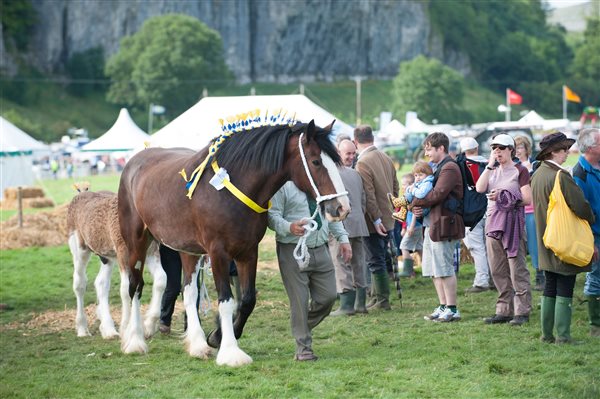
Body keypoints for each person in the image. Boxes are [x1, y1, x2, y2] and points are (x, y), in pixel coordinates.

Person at [268, 181, 352, 361]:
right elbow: (272, 216)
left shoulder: (320, 185)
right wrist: (289, 227)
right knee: (300, 301)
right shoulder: (283, 187)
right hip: (293, 250)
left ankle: (300, 327)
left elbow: (331, 216)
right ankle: (303, 349)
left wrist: (343, 239)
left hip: (321, 249)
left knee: (328, 297)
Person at [531, 132, 595, 343]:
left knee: (550, 286)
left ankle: (547, 335)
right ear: (552, 152)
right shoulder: (561, 175)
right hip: (561, 239)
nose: (567, 152)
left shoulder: (539, 173)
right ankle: (563, 336)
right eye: (563, 149)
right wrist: (592, 217)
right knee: (565, 285)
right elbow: (580, 205)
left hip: (544, 238)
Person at [476, 134, 532, 326]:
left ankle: (522, 311)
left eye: (501, 147)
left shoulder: (520, 170)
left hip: (513, 224)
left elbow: (527, 198)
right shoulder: (491, 170)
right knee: (497, 268)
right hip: (493, 224)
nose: (497, 151)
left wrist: (504, 195)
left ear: (511, 150)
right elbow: (479, 188)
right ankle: (504, 310)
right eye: (494, 148)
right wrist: (490, 165)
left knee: (517, 268)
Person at [411, 132, 464, 322]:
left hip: (445, 224)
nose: (427, 154)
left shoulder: (449, 167)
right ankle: (443, 306)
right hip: (433, 224)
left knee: (444, 268)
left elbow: (437, 194)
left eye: (429, 149)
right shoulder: (439, 167)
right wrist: (418, 207)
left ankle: (452, 308)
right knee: (434, 269)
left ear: (441, 148)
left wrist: (413, 201)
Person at [353, 125, 399, 310]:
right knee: (379, 257)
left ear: (356, 141)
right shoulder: (386, 157)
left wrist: (376, 219)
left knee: (375, 259)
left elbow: (368, 195)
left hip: (374, 221)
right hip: (389, 216)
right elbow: (396, 188)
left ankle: (382, 300)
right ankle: (377, 297)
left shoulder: (363, 162)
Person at [329, 139, 370, 316]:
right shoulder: (356, 174)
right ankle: (361, 305)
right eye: (348, 153)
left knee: (341, 263)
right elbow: (363, 202)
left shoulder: (331, 174)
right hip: (359, 224)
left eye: (354, 153)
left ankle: (347, 306)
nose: (352, 157)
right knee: (358, 263)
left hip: (341, 224)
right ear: (339, 153)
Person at [573, 128, 600, 338]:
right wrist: (589, 242)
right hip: (595, 234)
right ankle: (595, 325)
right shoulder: (579, 173)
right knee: (596, 277)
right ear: (592, 148)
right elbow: (580, 211)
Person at [459, 136, 493, 293]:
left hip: (473, 210)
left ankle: (482, 280)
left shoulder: (461, 165)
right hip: (491, 207)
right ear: (477, 148)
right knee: (490, 247)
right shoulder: (489, 163)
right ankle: (493, 277)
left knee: (476, 247)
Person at [514, 135, 543, 291]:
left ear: (526, 148)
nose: (518, 151)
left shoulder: (534, 165)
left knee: (534, 244)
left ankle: (540, 275)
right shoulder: (511, 166)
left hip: (532, 209)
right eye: (515, 147)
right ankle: (519, 279)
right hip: (516, 211)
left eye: (520, 147)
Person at [397, 161, 433, 277]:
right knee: (419, 247)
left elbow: (414, 212)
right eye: (402, 185)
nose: (403, 187)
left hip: (414, 226)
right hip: (416, 226)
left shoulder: (416, 193)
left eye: (405, 184)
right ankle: (427, 270)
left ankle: (409, 271)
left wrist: (410, 227)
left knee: (404, 246)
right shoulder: (413, 191)